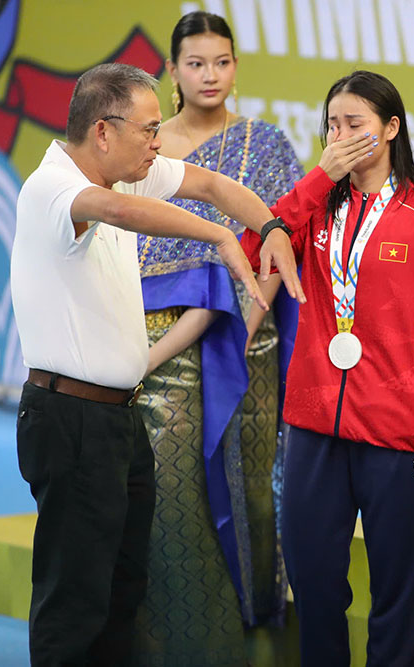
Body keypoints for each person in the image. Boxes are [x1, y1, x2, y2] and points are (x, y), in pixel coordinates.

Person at [9, 61, 328, 665]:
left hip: (120, 420)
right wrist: (222, 239)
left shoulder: (129, 175)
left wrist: (272, 226)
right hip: (70, 418)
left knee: (125, 589)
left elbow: (212, 187)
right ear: (103, 132)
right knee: (74, 600)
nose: (160, 143)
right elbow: (121, 213)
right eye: (149, 130)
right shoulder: (52, 188)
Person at [241, 70, 414, 666]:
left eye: (355, 124)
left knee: (394, 599)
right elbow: (254, 257)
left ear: (391, 129)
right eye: (332, 125)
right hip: (312, 428)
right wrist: (316, 179)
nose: (342, 135)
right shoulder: (314, 210)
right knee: (315, 586)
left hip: (395, 434)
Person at [129, 11, 305, 664]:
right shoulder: (143, 147)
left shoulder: (264, 145)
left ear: (236, 66)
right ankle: (178, 634)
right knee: (170, 491)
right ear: (171, 70)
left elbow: (282, 246)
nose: (211, 75)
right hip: (155, 345)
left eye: (222, 61)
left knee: (250, 487)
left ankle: (258, 628)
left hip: (246, 344)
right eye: (196, 62)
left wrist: (244, 322)